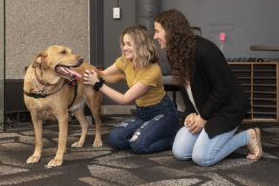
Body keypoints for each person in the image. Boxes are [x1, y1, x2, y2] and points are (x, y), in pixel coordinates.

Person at [153, 9, 263, 166]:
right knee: (180, 152)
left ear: (171, 31)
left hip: (227, 109)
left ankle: (248, 136)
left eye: (157, 31)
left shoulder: (206, 51)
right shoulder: (172, 52)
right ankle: (210, 137)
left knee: (202, 158)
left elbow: (223, 88)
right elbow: (184, 86)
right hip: (204, 110)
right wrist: (191, 112)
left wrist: (203, 118)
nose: (155, 36)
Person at [83, 25, 180, 154]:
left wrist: (98, 85)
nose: (124, 48)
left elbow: (124, 99)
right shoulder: (125, 61)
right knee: (115, 139)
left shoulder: (152, 71)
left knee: (139, 145)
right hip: (143, 114)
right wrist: (80, 72)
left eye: (129, 44)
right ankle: (148, 133)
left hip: (163, 114)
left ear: (141, 45)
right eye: (123, 44)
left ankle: (174, 140)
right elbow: (103, 74)